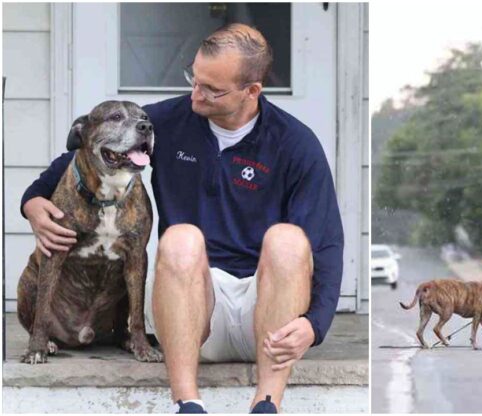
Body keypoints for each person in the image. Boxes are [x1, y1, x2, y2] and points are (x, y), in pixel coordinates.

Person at [20, 23, 344, 413]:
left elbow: (326, 241)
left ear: (252, 91)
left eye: (212, 89)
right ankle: (187, 403)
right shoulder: (170, 121)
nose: (196, 94)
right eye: (194, 78)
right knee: (180, 238)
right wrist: (34, 202)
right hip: (194, 312)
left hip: (272, 315)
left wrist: (315, 324)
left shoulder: (295, 143)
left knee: (289, 240)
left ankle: (267, 402)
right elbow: (80, 154)